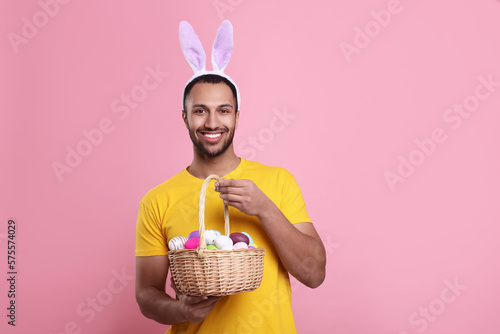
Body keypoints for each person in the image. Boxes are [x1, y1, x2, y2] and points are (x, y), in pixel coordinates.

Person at [135, 20, 326, 334]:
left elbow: (314, 274)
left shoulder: (278, 182)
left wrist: (264, 208)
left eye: (223, 110)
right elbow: (146, 295)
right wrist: (179, 309)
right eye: (200, 111)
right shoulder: (157, 200)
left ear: (237, 115)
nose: (212, 122)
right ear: (185, 117)